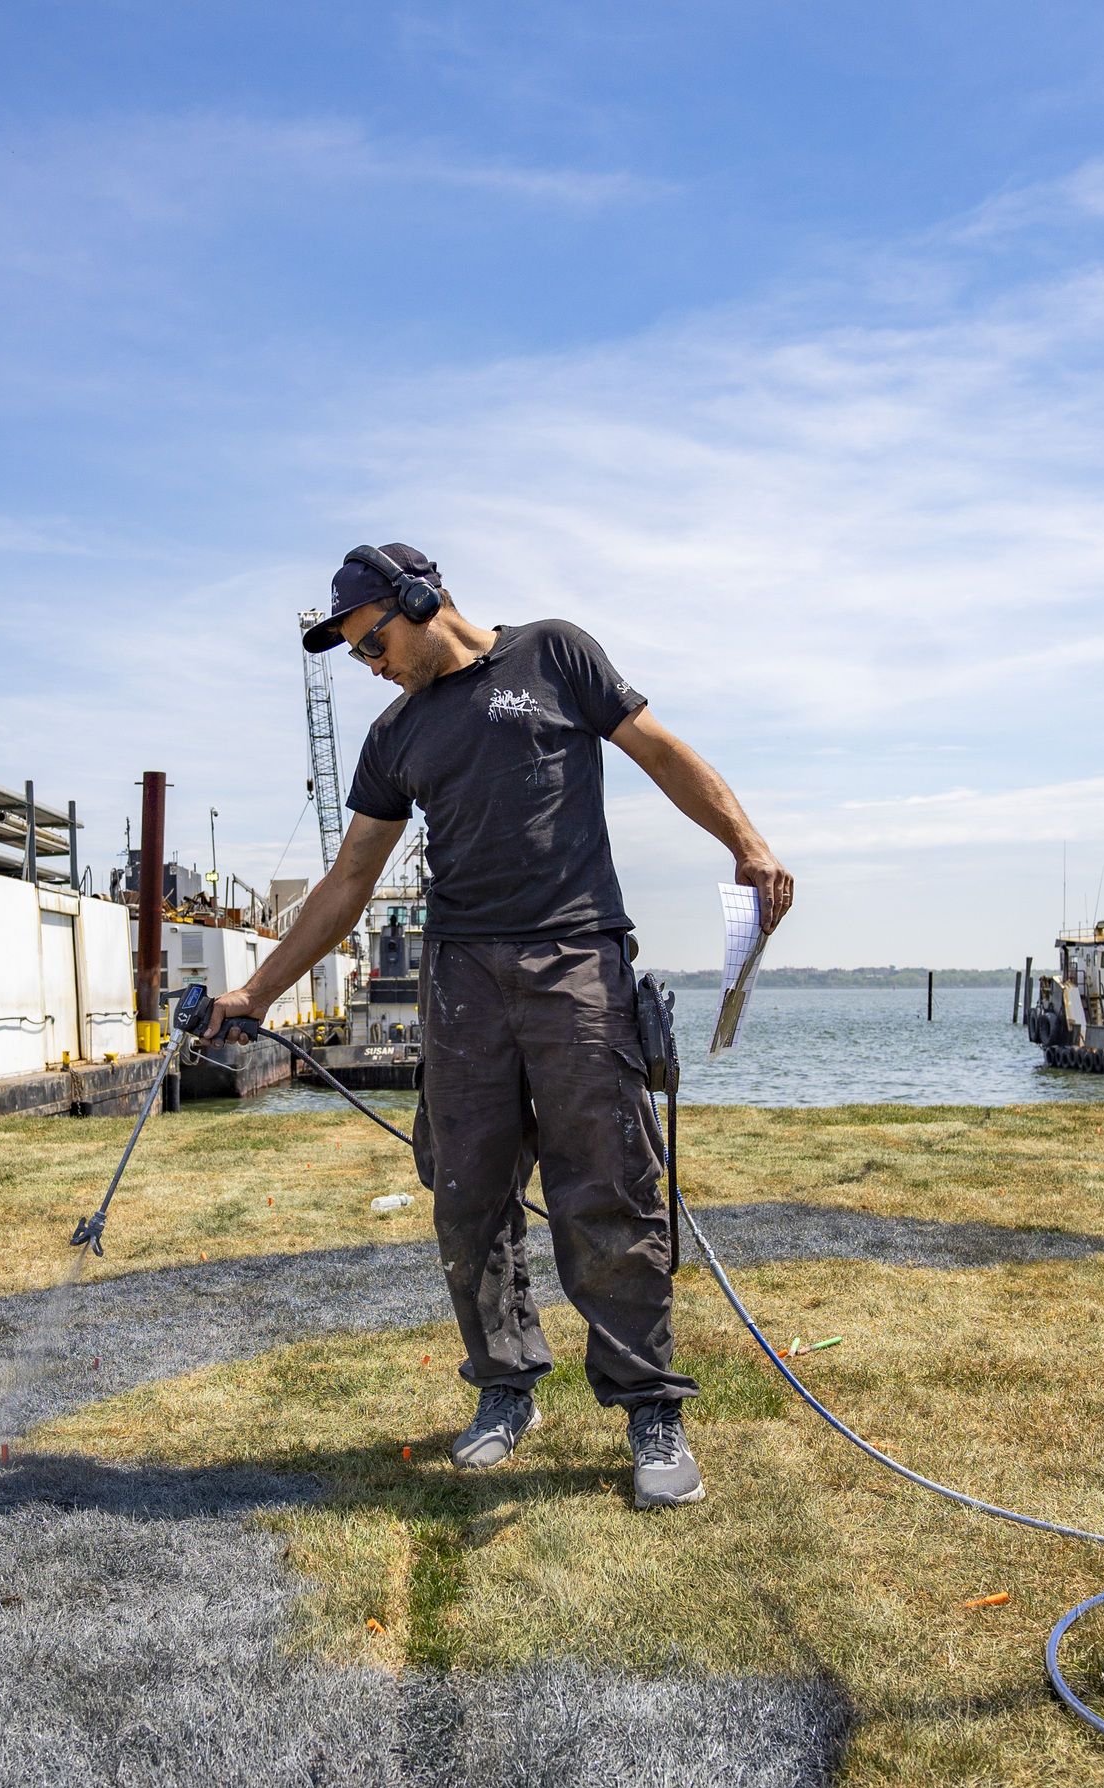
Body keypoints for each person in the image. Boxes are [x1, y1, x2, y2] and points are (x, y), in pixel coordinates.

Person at [203, 543, 792, 1509]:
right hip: (462, 978)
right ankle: (506, 1389)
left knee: (608, 1183)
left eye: (374, 642)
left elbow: (660, 752)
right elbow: (349, 883)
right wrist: (257, 993)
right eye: (356, 656)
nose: (372, 666)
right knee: (467, 1195)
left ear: (422, 599)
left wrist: (749, 843)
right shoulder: (395, 737)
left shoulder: (554, 656)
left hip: (576, 961)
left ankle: (649, 1406)